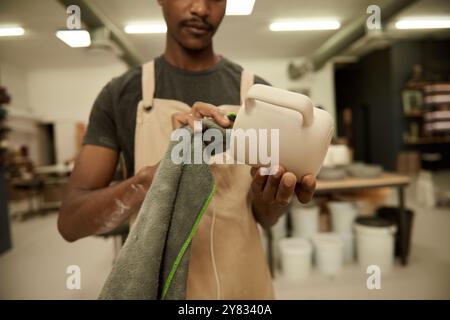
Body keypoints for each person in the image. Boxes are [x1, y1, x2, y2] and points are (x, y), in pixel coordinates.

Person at [58, 0, 316, 299]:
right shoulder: (121, 95)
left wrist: (271, 197)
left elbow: (266, 218)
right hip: (157, 286)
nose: (201, 9)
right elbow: (71, 223)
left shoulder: (259, 98)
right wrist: (157, 177)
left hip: (240, 288)